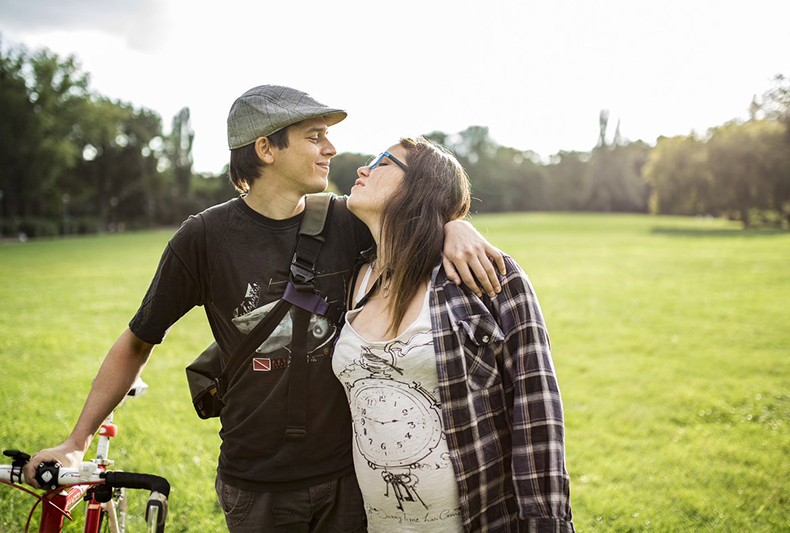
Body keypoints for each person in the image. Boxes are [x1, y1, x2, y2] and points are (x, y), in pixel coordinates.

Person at [23, 86, 505, 532]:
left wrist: (453, 225)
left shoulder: (346, 219)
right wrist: (77, 443)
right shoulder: (204, 238)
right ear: (265, 148)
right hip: (256, 483)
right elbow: (137, 341)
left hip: (350, 476)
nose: (330, 149)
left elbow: (413, 216)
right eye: (315, 137)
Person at [333, 137, 575, 532]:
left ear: (420, 187)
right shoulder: (352, 278)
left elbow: (536, 410)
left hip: (480, 520)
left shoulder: (484, 274)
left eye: (382, 161)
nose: (363, 169)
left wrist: (545, 524)